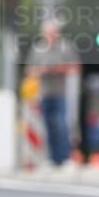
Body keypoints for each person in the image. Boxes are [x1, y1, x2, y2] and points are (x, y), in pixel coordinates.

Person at [24, 19, 81, 166]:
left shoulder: (65, 48)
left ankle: (65, 157)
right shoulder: (37, 49)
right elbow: (30, 70)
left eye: (53, 33)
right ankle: (52, 158)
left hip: (61, 93)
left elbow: (75, 67)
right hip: (44, 93)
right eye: (49, 33)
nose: (51, 36)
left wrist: (58, 69)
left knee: (62, 124)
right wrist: (41, 70)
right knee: (47, 125)